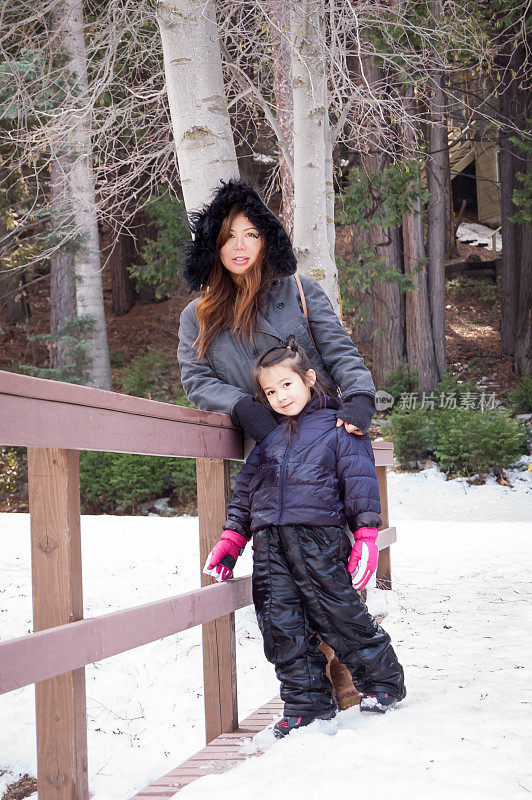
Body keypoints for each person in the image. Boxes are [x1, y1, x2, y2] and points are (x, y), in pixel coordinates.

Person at [177, 178, 379, 708]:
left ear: (266, 239)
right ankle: (306, 691)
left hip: (322, 448)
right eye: (227, 237)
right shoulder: (197, 316)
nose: (240, 246)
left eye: (250, 233)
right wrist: (241, 406)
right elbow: (195, 379)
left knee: (329, 571)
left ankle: (348, 674)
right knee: (281, 582)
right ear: (213, 246)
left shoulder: (302, 293)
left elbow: (340, 353)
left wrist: (358, 398)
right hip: (267, 460)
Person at [203, 339, 406, 738]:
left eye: (287, 385)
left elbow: (360, 482)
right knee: (280, 624)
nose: (280, 397)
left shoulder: (340, 427)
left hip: (320, 539)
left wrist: (366, 534)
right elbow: (245, 494)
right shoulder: (267, 441)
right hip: (269, 546)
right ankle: (306, 702)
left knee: (339, 614)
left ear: (309, 379)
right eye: (270, 392)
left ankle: (382, 684)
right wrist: (232, 539)